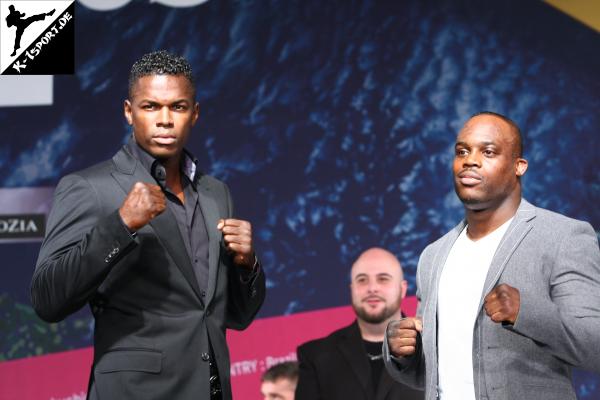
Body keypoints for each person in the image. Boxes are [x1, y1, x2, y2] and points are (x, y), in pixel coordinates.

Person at [31, 50, 266, 400]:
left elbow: (235, 316)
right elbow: (47, 299)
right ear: (129, 112)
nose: (165, 120)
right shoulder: (91, 188)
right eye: (151, 107)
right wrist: (121, 224)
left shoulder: (217, 193)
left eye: (178, 107)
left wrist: (248, 266)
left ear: (195, 114)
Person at [384, 112, 600, 400]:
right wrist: (402, 352)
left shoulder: (564, 237)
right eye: (462, 151)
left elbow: (595, 348)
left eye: (488, 151)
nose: (470, 160)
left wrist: (527, 312)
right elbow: (433, 373)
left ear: (518, 166)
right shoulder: (433, 256)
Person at [295, 247, 423, 400]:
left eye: (383, 279)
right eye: (362, 280)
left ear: (402, 289)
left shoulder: (431, 351)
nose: (372, 288)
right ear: (352, 289)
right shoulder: (315, 356)